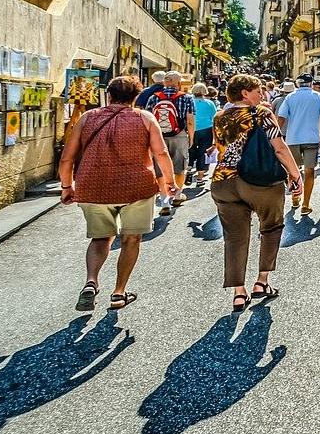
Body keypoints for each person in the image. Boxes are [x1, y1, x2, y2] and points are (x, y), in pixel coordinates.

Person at [57, 75, 175, 312]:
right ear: (135, 97)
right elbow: (160, 153)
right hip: (136, 187)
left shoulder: (88, 118)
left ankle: (91, 281)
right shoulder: (145, 118)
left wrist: (67, 186)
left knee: (101, 238)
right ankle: (119, 292)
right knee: (132, 238)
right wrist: (169, 182)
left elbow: (67, 157)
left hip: (93, 186)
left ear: (108, 95)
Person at [210, 74, 303, 312]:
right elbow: (279, 147)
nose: (261, 94)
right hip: (259, 179)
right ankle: (262, 281)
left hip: (224, 181)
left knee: (234, 237)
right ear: (244, 93)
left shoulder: (219, 117)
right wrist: (294, 174)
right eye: (257, 90)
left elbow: (222, 147)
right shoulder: (261, 113)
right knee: (271, 226)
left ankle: (238, 293)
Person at [276, 74, 320, 216]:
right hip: (312, 138)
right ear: (311, 83)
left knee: (292, 170)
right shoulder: (318, 96)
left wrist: (275, 136)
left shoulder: (290, 97)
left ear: (298, 83)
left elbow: (282, 117)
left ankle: (295, 197)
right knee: (309, 171)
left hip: (293, 138)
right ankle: (306, 203)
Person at [141, 72, 195, 215]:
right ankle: (177, 196)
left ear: (164, 83)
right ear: (178, 83)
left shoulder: (154, 97)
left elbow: (147, 118)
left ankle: (165, 200)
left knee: (160, 167)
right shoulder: (187, 98)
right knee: (180, 165)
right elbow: (190, 120)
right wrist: (191, 137)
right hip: (179, 135)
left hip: (158, 136)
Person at [187, 83, 218, 188]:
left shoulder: (189, 102)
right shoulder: (210, 103)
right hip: (206, 129)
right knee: (203, 152)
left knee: (190, 150)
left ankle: (189, 169)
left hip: (191, 129)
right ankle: (200, 178)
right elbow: (214, 118)